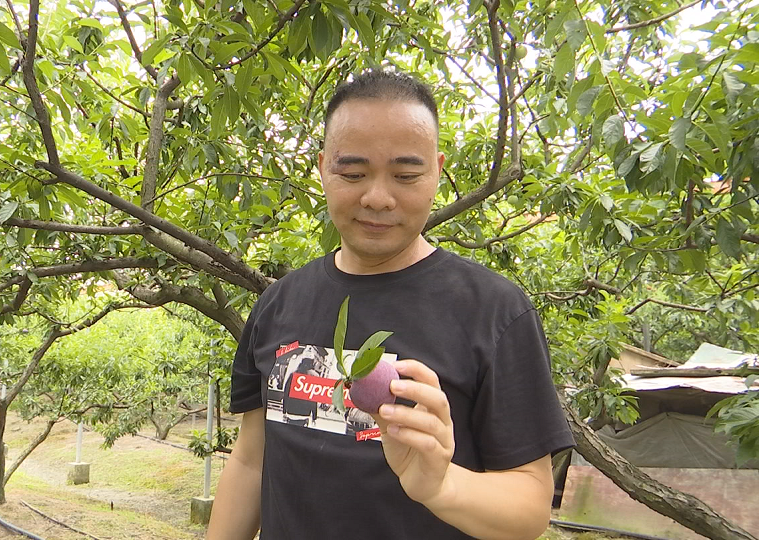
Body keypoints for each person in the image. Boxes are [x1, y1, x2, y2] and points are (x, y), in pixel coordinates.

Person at [206, 70, 574, 540]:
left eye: (405, 175)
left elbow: (529, 508)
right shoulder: (279, 303)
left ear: (437, 170)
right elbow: (250, 460)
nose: (377, 198)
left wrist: (442, 486)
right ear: (322, 167)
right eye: (353, 173)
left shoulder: (495, 312)